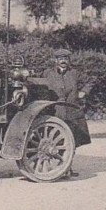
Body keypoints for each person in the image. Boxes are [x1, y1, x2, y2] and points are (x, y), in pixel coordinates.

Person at [42, 48, 93, 178]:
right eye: (60, 59)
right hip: (55, 111)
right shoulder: (47, 73)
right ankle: (59, 168)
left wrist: (84, 92)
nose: (63, 61)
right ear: (55, 60)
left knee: (71, 141)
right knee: (56, 140)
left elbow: (90, 81)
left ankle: (68, 168)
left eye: (65, 59)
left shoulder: (75, 73)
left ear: (69, 61)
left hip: (72, 111)